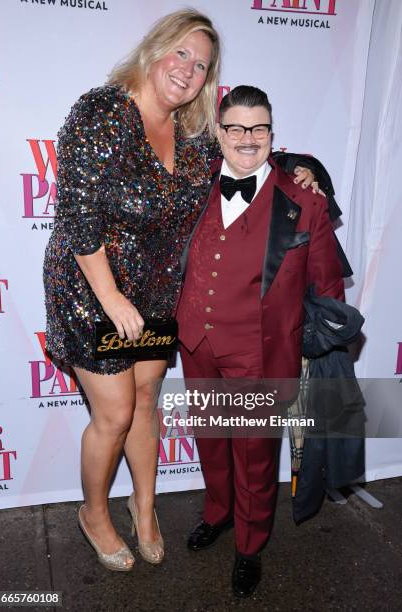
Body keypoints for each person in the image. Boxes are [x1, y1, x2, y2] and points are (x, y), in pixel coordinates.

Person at [43, 10, 317, 572]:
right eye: (182, 54)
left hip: (159, 293)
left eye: (202, 64)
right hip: (93, 289)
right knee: (116, 413)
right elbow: (76, 218)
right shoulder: (104, 112)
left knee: (147, 404)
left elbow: (248, 152)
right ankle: (93, 514)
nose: (189, 70)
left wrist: (305, 169)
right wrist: (112, 300)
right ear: (155, 49)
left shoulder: (194, 132)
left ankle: (144, 510)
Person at [176, 85, 345, 597]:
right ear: (219, 134)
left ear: (273, 134)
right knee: (211, 439)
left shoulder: (304, 201)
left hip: (259, 349)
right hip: (195, 340)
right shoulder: (190, 185)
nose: (248, 138)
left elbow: (328, 286)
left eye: (259, 128)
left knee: (253, 453)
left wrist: (317, 350)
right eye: (236, 128)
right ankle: (218, 513)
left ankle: (250, 545)